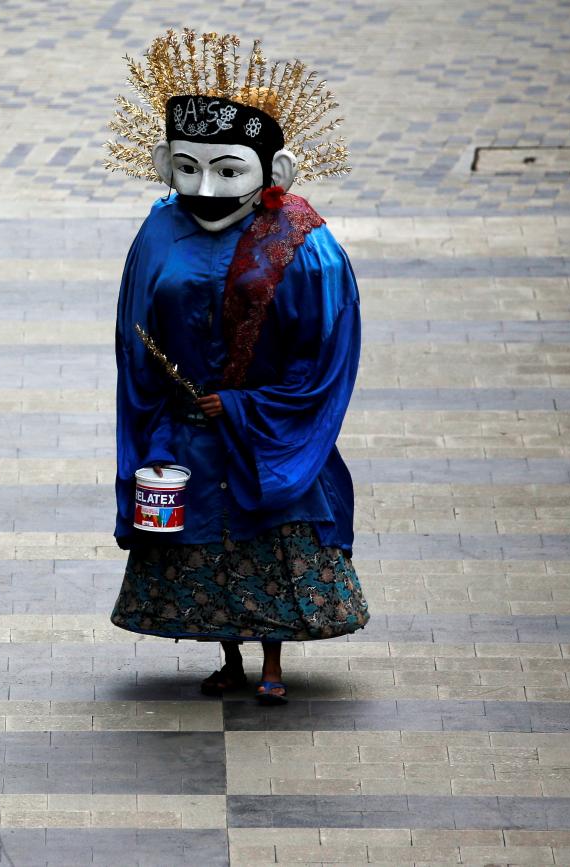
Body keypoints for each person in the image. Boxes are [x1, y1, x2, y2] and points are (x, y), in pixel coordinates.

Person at [104, 31, 369, 705]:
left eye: (227, 171)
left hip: (261, 433)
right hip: (188, 433)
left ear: (272, 171)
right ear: (166, 164)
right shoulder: (159, 231)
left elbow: (325, 356)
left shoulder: (306, 247)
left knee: (268, 542)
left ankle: (272, 661)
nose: (205, 188)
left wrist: (252, 407)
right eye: (187, 169)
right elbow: (134, 338)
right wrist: (154, 418)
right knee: (202, 548)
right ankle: (228, 657)